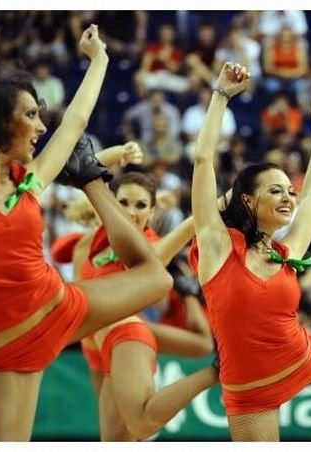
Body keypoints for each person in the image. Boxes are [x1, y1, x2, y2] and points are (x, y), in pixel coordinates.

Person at [0, 11, 172, 440]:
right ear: (1, 119)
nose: (42, 126)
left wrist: (98, 60)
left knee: (157, 277)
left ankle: (93, 180)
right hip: (3, 343)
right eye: (30, 115)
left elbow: (75, 124)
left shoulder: (31, 180)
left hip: (58, 307)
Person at [190, 62, 311, 441]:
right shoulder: (217, 245)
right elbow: (203, 161)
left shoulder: (286, 251)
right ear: (248, 201)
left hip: (302, 357)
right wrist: (221, 95)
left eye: (289, 191)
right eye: (276, 191)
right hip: (251, 392)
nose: (288, 197)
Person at [71, 170, 218, 441]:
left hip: (124, 336)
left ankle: (216, 371)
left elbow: (152, 260)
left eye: (140, 206)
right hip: (98, 346)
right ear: (111, 204)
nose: (130, 211)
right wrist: (116, 160)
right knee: (115, 440)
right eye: (123, 203)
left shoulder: (147, 245)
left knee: (137, 426)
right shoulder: (89, 244)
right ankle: (216, 367)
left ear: (151, 214)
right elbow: (84, 173)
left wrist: (197, 219)